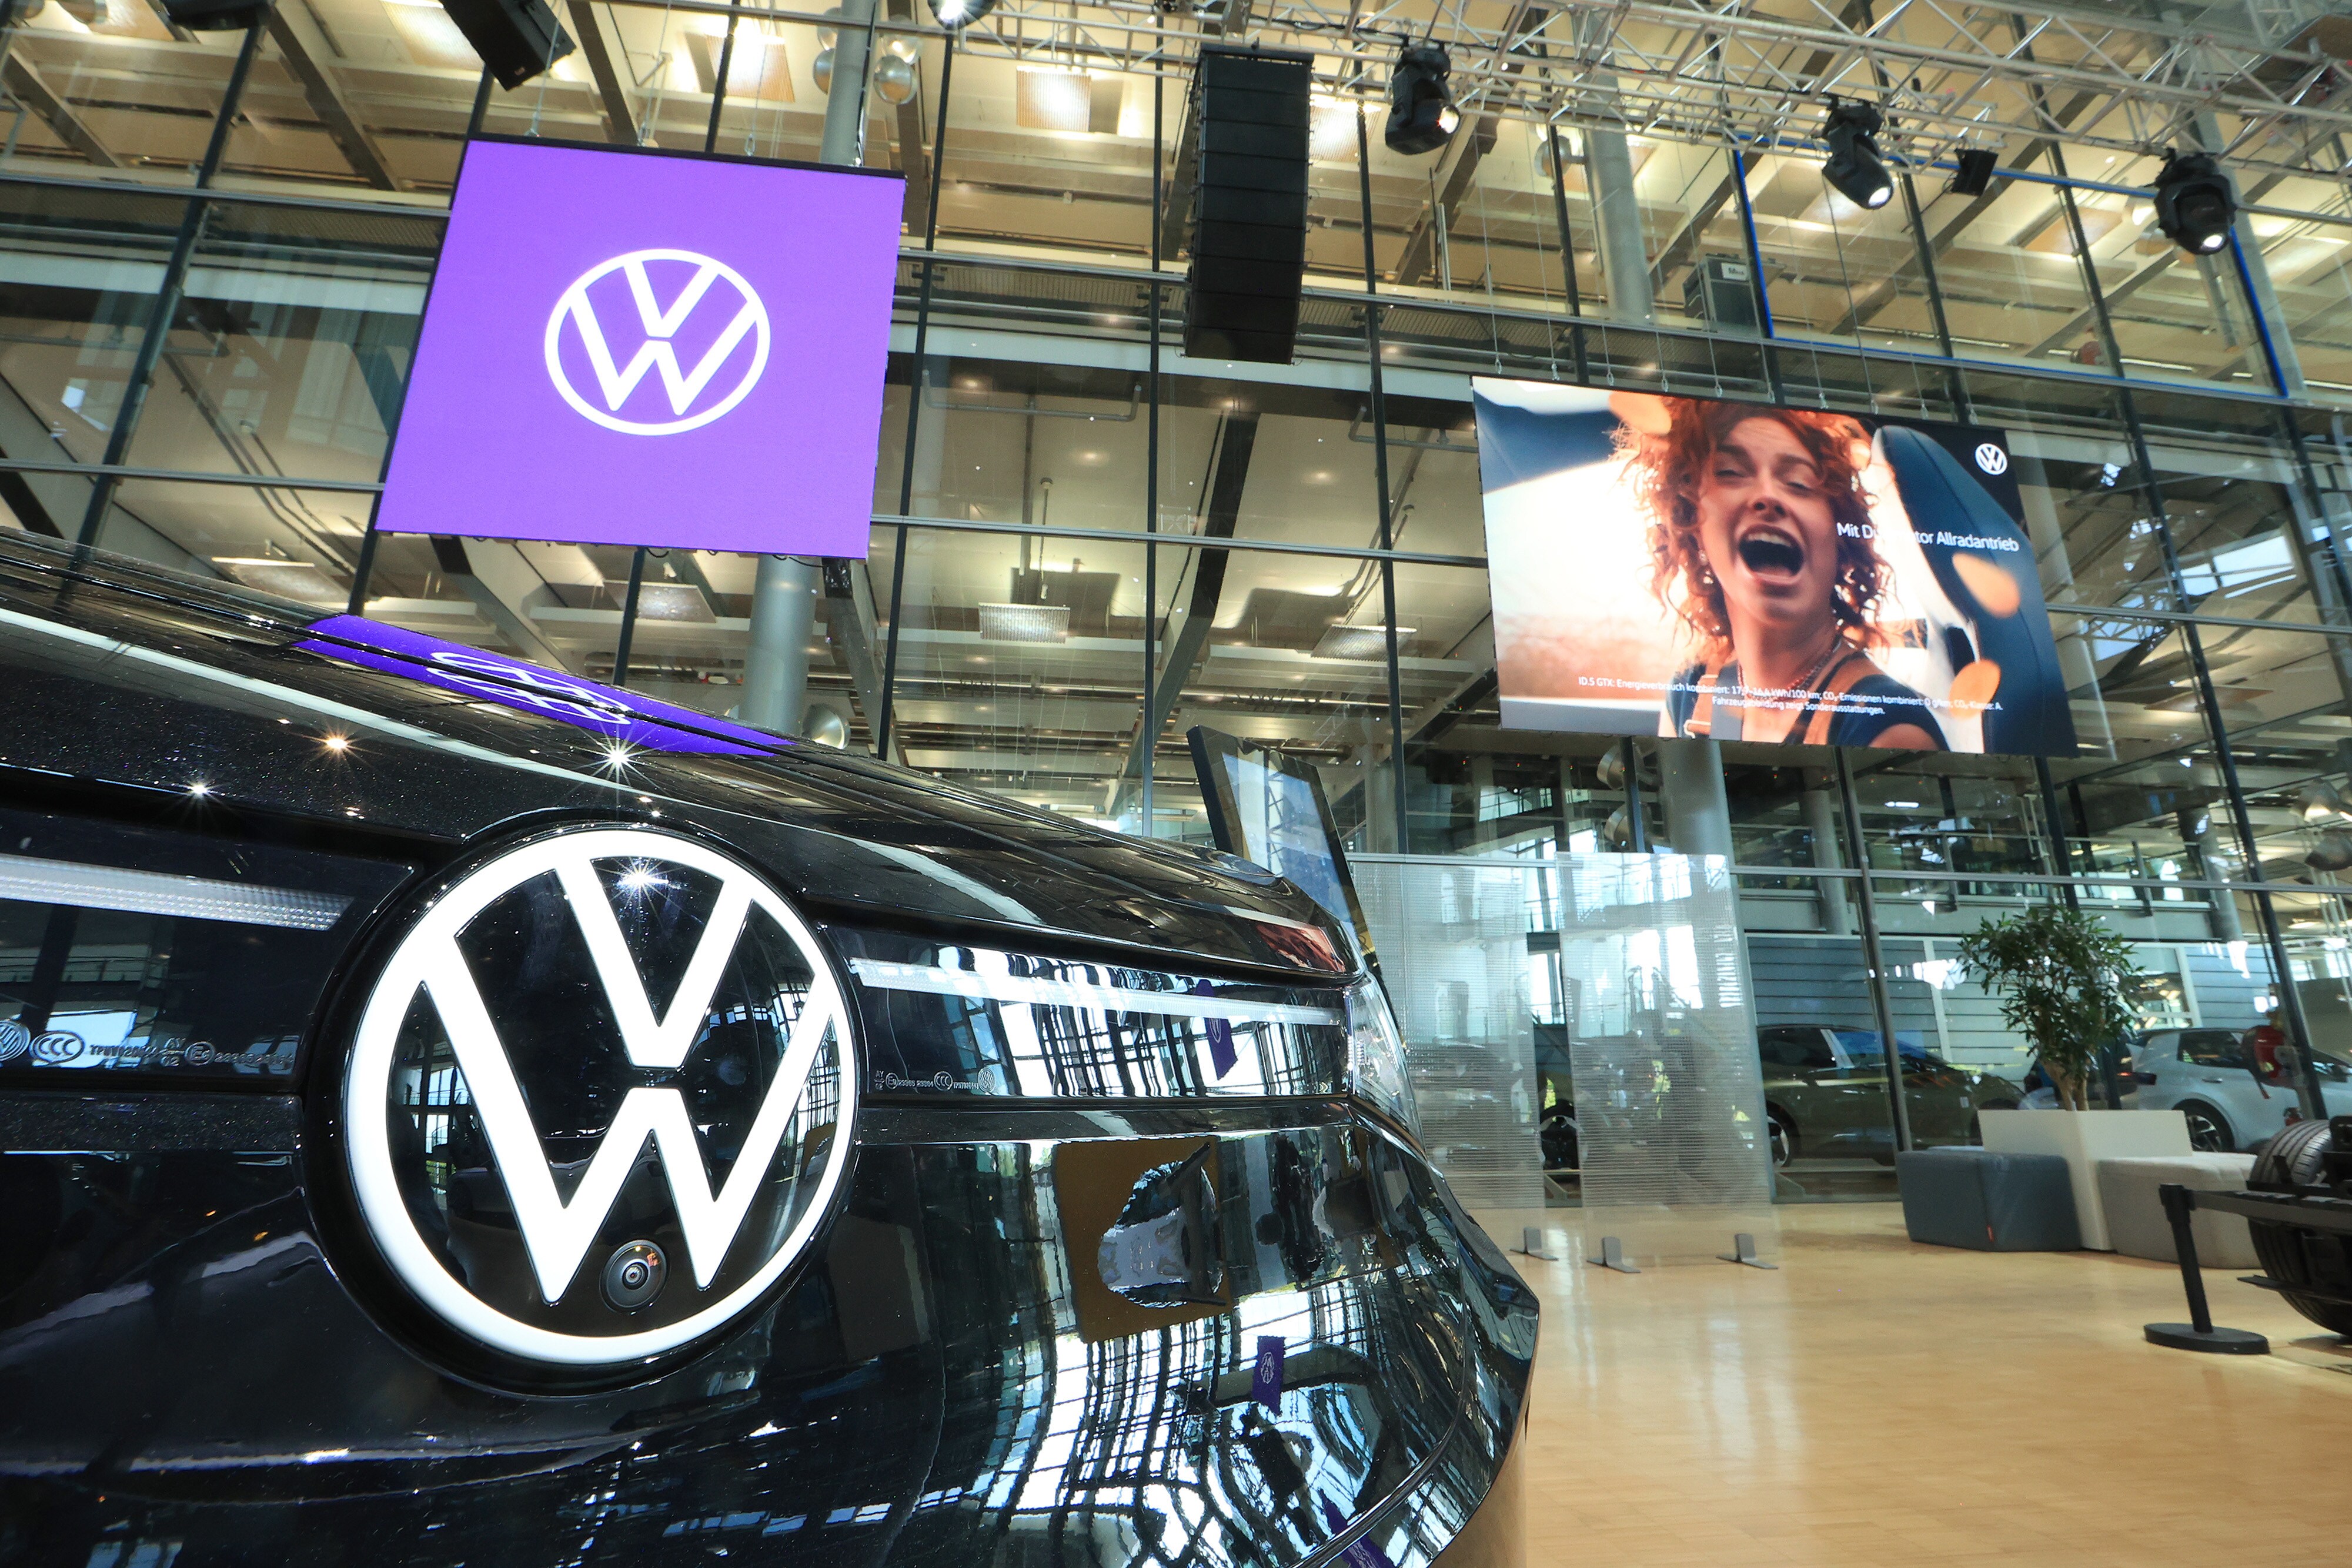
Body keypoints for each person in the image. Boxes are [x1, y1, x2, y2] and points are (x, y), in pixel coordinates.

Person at [1623, 398, 1946, 750]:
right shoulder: (1691, 691)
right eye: (1730, 472)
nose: (1768, 496)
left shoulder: (1887, 729)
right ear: (1691, 525)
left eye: (1799, 483)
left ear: (1840, 539)